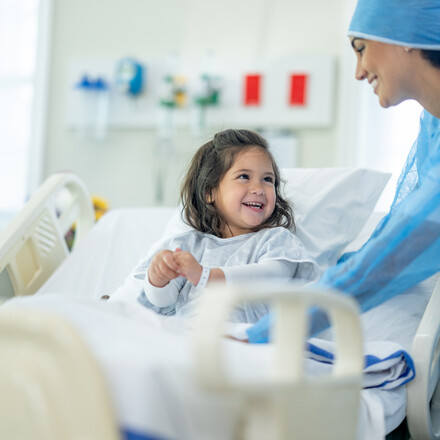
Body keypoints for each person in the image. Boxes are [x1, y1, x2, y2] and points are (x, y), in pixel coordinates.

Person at [247, 0, 440, 343]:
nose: (358, 71)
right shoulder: (433, 127)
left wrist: (266, 333)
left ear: (406, 34)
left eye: (361, 49)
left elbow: (398, 251)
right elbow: (395, 234)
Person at [130, 129, 319, 322]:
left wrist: (206, 276)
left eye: (268, 179)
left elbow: (270, 276)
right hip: (185, 335)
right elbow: (164, 303)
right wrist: (158, 280)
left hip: (242, 339)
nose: (259, 189)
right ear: (209, 192)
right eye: (244, 176)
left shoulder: (276, 241)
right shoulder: (189, 246)